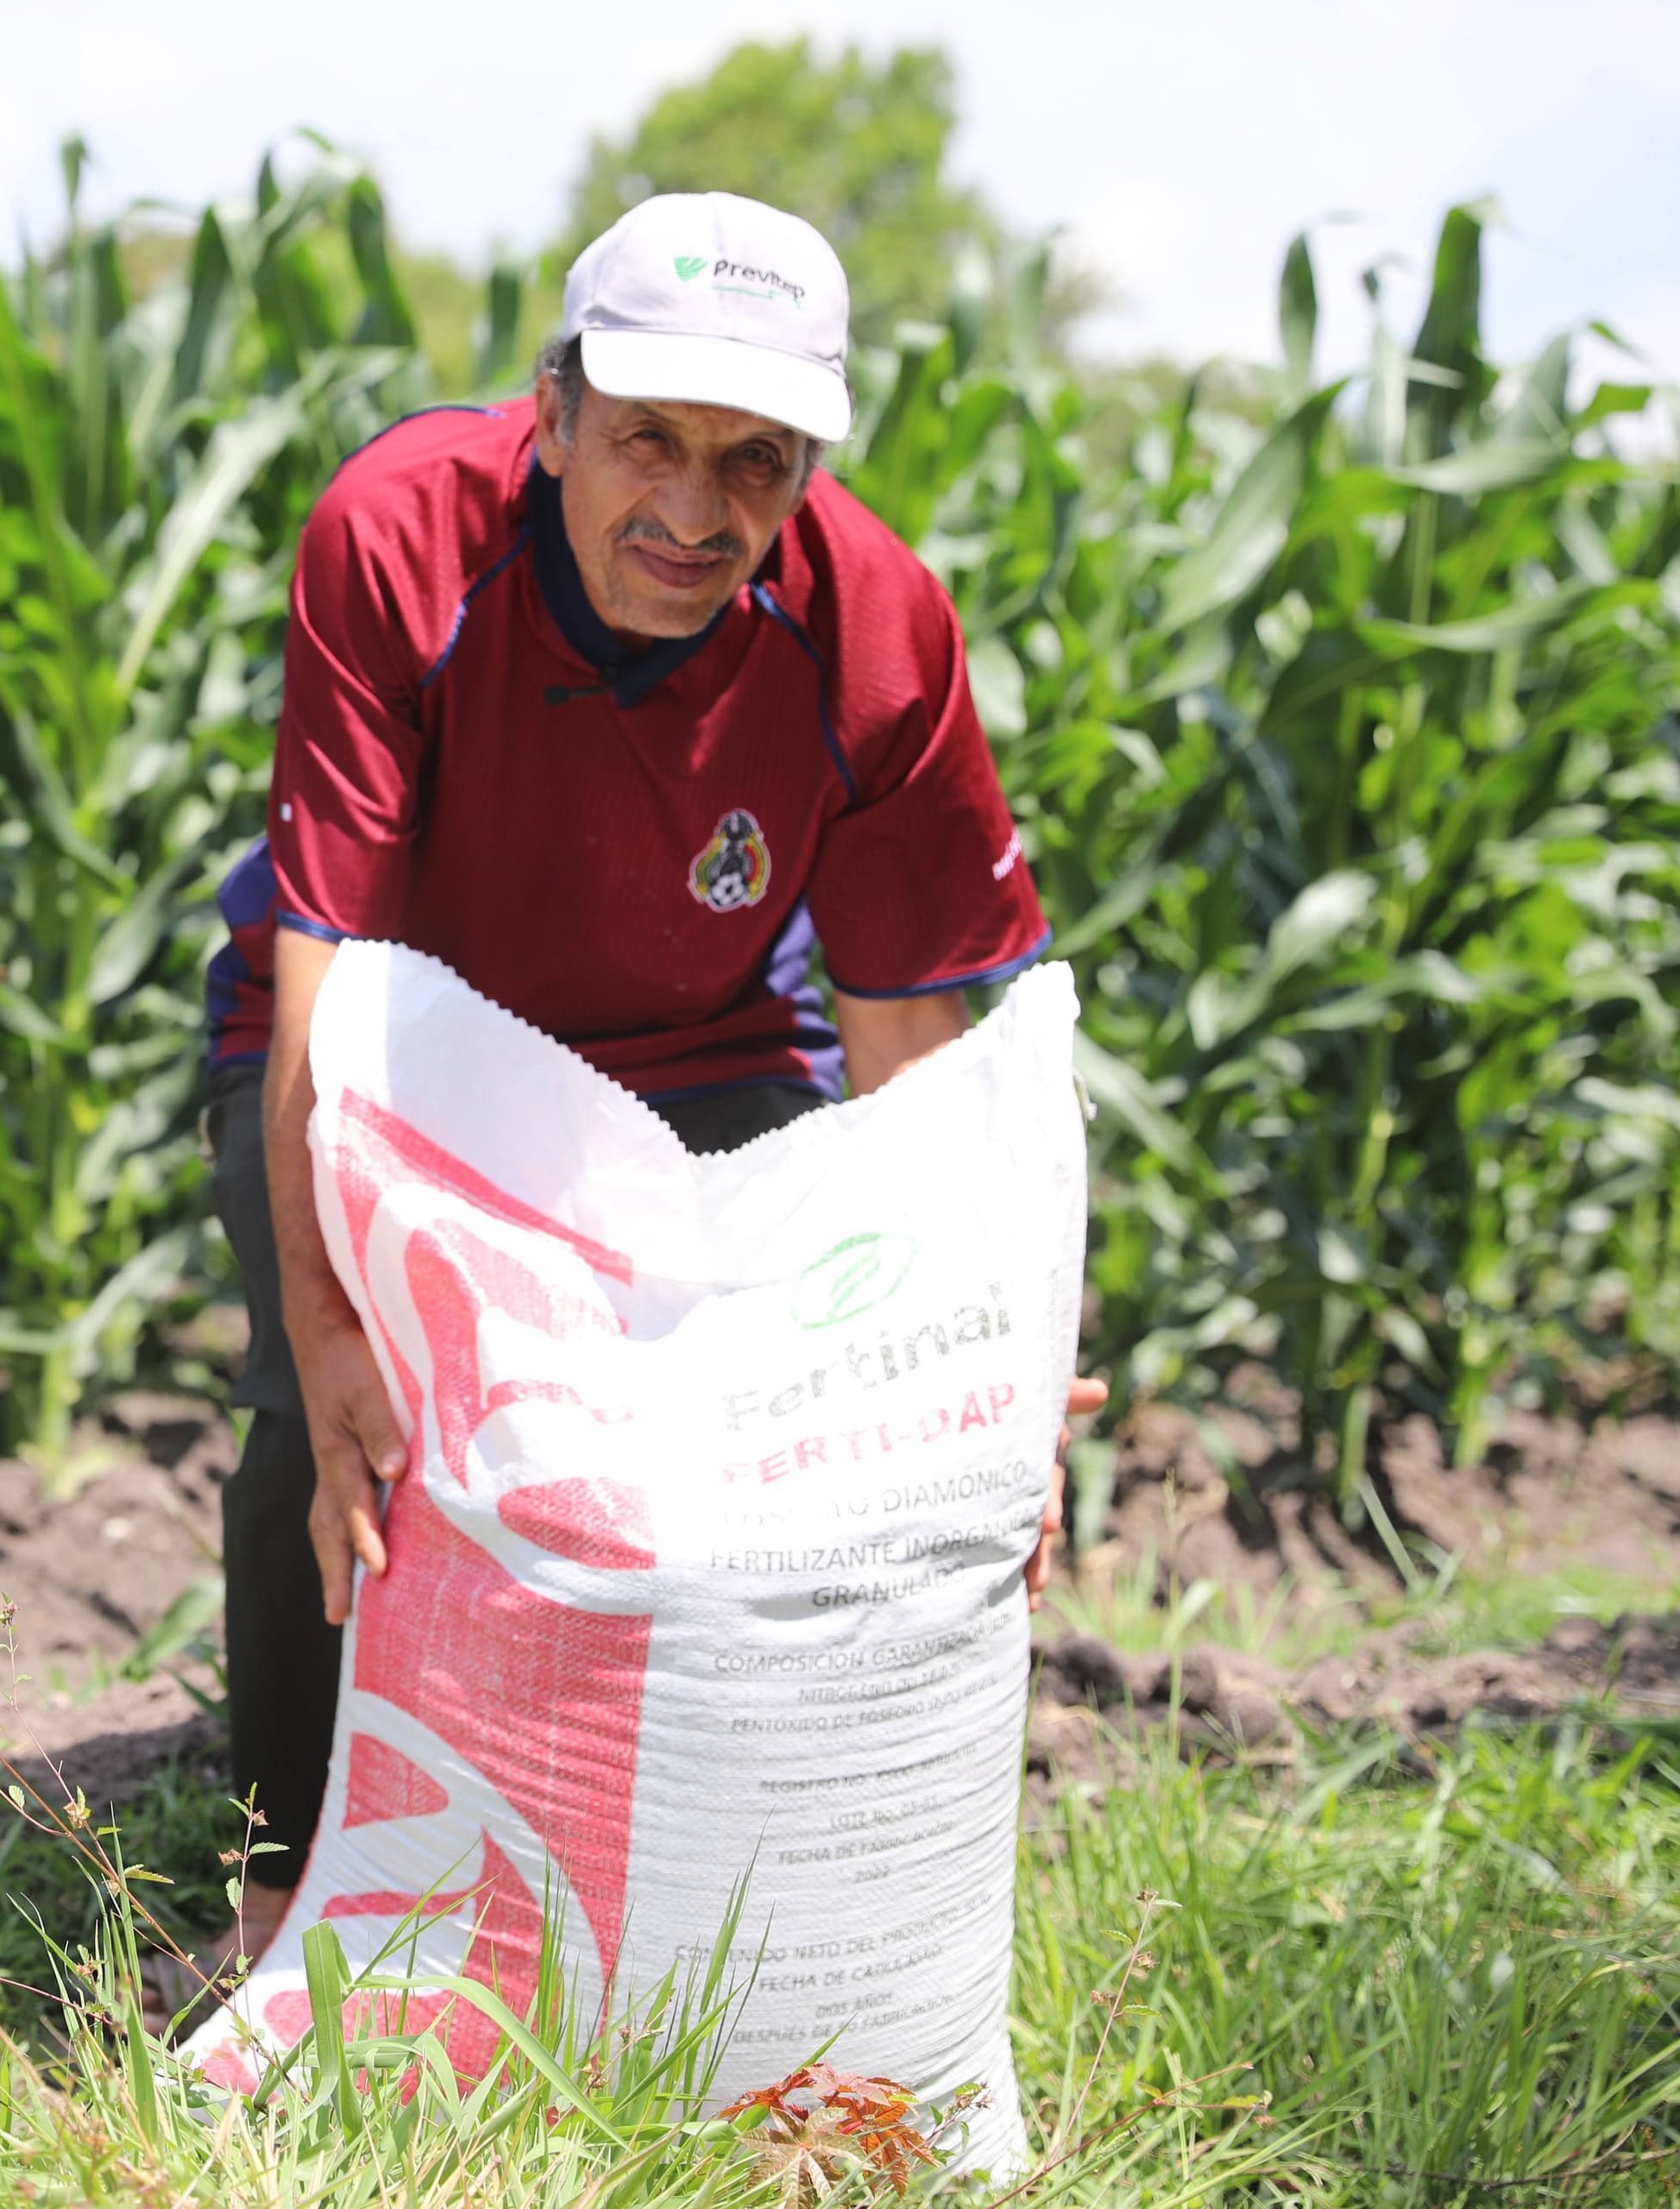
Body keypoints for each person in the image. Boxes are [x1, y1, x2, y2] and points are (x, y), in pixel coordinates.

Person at [194, 190, 1102, 1992]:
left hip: (702, 1052)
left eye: (752, 462)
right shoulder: (400, 537)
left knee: (790, 1418)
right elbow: (323, 996)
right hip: (395, 1038)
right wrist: (325, 1320)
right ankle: (283, 1888)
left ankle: (725, 1891)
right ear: (553, 416)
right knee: (335, 1426)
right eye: (650, 442)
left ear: (808, 472)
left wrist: (971, 1374)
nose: (692, 510)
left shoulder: (880, 634)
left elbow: (910, 1059)